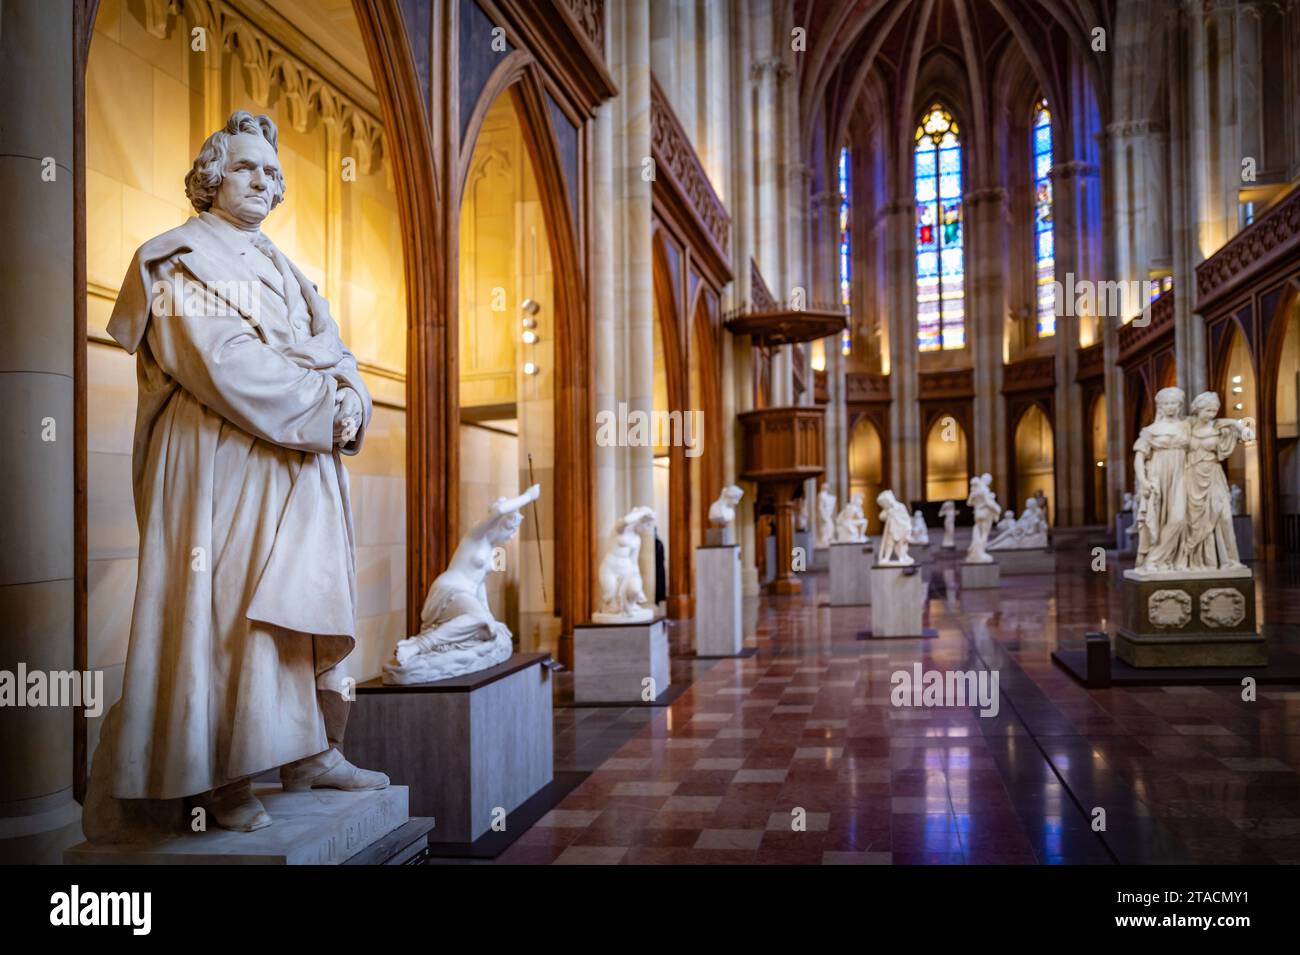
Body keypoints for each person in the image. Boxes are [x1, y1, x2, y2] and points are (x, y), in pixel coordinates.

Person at [87, 112, 387, 836]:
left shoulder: (289, 270)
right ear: (212, 177)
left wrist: (349, 399)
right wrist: (327, 403)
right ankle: (218, 768)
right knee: (224, 614)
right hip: (219, 464)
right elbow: (225, 366)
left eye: (273, 174)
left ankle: (308, 749)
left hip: (295, 463)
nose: (265, 182)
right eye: (248, 168)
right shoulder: (177, 259)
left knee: (291, 612)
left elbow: (340, 353)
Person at [1179, 392, 1251, 572]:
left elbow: (1234, 424)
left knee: (1225, 517)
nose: (1211, 414)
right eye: (1207, 410)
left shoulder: (1218, 426)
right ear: (1197, 409)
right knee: (1193, 520)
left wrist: (1243, 428)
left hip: (1213, 475)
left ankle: (1230, 560)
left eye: (1214, 410)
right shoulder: (1187, 425)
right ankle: (1197, 560)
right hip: (1191, 476)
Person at [1133, 387, 1191, 574]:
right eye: (1166, 403)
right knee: (1157, 521)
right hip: (1158, 475)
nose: (1170, 406)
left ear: (1180, 405)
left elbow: (1211, 424)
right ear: (1160, 406)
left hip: (1181, 474)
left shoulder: (1187, 426)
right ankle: (1156, 560)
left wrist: (1239, 425)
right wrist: (1143, 481)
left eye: (1173, 402)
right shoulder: (1151, 430)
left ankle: (1157, 558)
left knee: (1179, 518)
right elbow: (1139, 458)